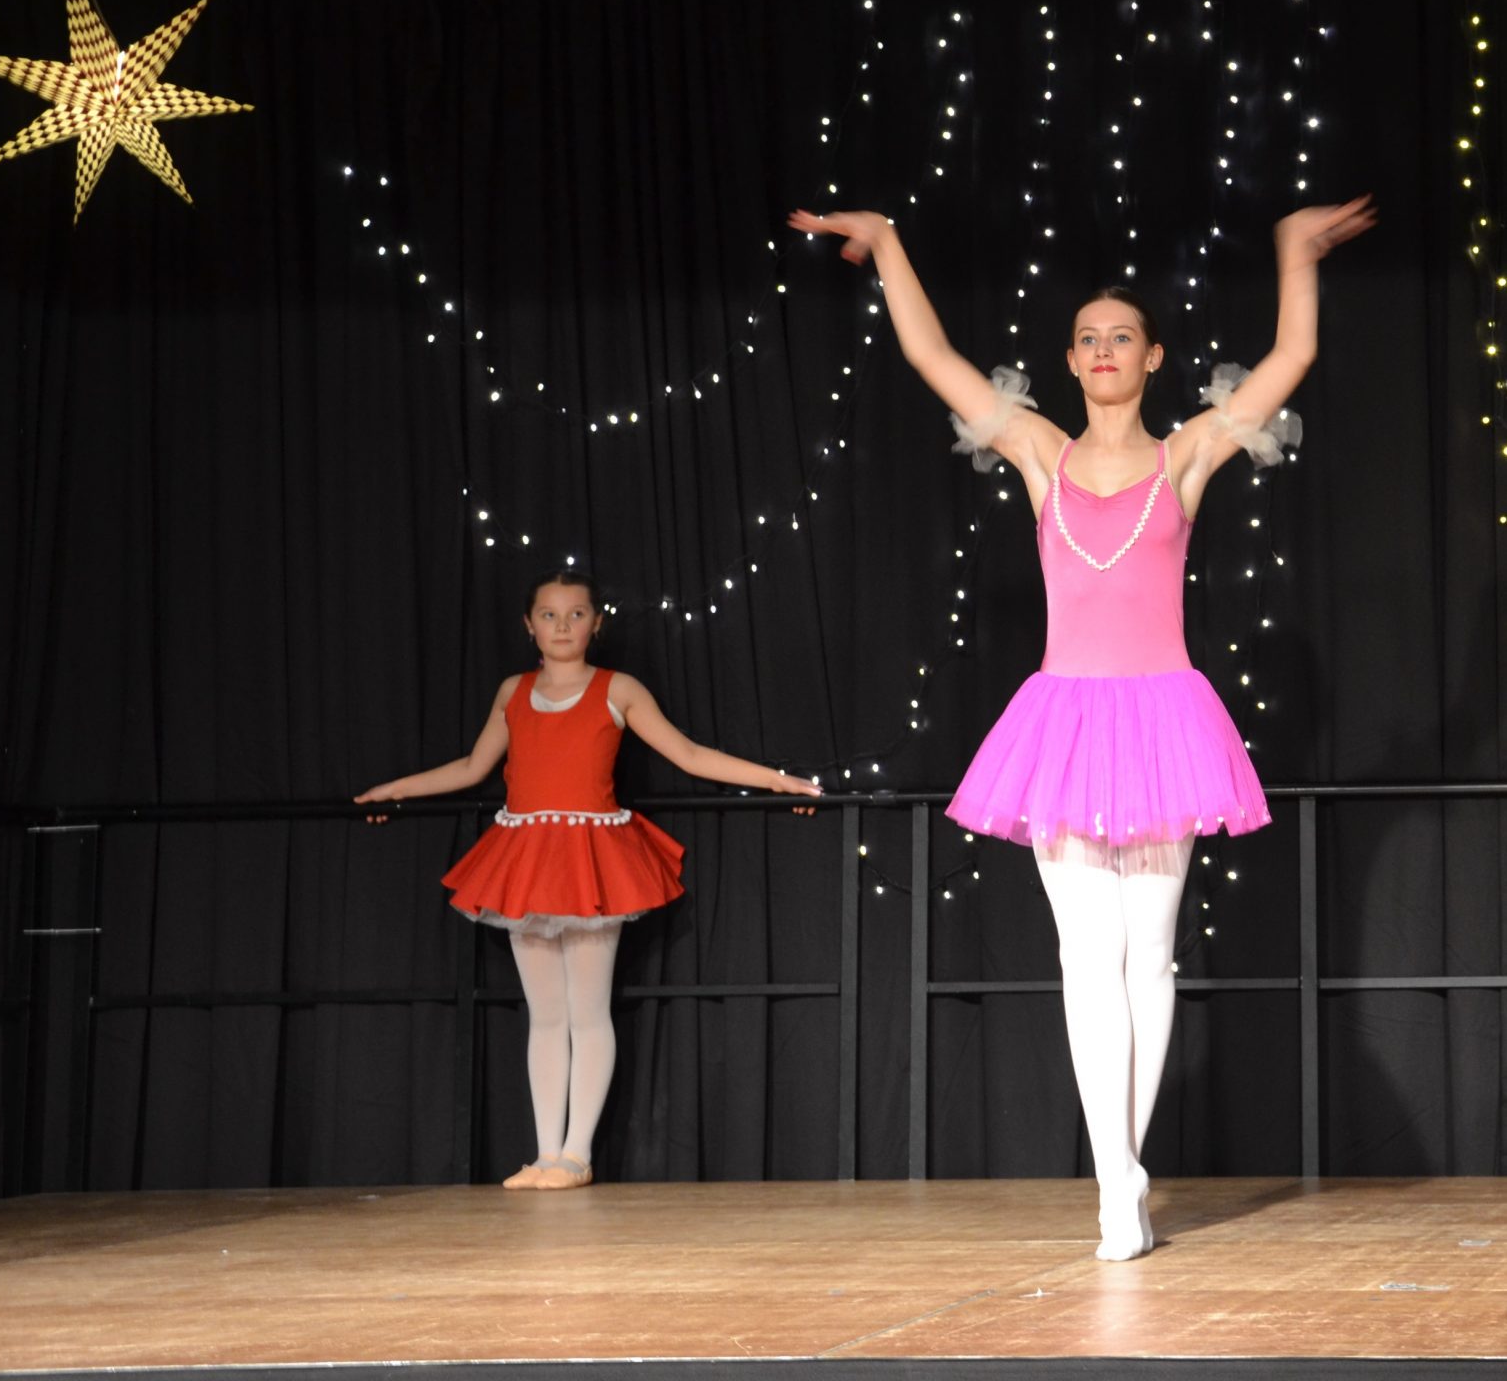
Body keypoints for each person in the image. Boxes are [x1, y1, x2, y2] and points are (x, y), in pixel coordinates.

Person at [788, 196, 1373, 1258]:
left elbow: (1291, 356)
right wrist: (887, 243)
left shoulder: (1186, 456)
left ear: (1152, 358)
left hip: (1162, 722)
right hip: (1062, 724)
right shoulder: (1038, 454)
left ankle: (1122, 1176)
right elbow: (929, 356)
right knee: (1083, 957)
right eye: (1088, 338)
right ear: (1068, 360)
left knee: (1149, 959)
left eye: (1122, 336)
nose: (1104, 350)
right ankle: (1116, 1189)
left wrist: (1294, 249)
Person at [356, 570, 819, 1190]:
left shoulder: (617, 689)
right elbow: (471, 767)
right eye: (549, 615)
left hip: (592, 860)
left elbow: (688, 755)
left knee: (588, 1011)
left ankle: (577, 1154)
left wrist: (777, 781)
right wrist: (394, 789)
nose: (562, 626)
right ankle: (546, 1153)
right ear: (529, 625)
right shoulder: (513, 691)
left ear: (597, 623)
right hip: (526, 859)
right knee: (546, 1015)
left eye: (576, 614)